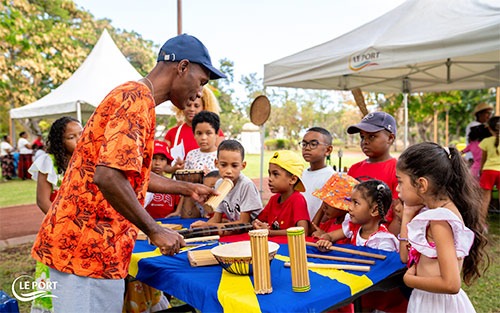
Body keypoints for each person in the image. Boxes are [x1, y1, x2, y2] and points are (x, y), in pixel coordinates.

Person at [31, 33, 224, 312]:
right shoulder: (134, 99)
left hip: (89, 250)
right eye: (201, 82)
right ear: (182, 67)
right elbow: (108, 177)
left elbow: (131, 174)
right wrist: (155, 229)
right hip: (86, 249)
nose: (199, 92)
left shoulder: (137, 100)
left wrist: (186, 189)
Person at [396, 142, 488, 312]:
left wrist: (409, 280)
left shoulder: (439, 221)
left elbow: (451, 284)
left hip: (435, 304)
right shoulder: (433, 212)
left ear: (422, 185)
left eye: (400, 182)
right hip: (427, 298)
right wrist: (407, 214)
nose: (397, 188)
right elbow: (404, 256)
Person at [27, 116, 83, 313]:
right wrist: (63, 224)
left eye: (81, 134)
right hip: (58, 228)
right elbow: (43, 200)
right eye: (71, 137)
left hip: (84, 230)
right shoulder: (48, 162)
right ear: (61, 141)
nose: (79, 140)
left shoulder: (87, 160)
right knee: (54, 276)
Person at [346, 111, 401, 235]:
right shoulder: (354, 169)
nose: (365, 141)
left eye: (371, 136)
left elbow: (398, 214)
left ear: (390, 138)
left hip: (382, 240)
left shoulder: (398, 170)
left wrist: (385, 239)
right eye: (362, 137)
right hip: (353, 236)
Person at [190, 140, 263, 229]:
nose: (228, 171)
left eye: (234, 166)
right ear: (216, 163)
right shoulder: (219, 184)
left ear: (243, 166)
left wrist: (208, 225)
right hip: (234, 228)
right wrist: (202, 227)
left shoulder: (246, 185)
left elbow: (244, 223)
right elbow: (216, 218)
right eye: (224, 165)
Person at [315, 180, 398, 252]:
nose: (349, 207)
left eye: (356, 203)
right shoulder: (354, 227)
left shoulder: (384, 241)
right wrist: (325, 241)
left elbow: (385, 268)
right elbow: (330, 236)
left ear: (374, 210)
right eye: (350, 201)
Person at [164, 85, 224, 168]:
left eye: (196, 106)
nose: (191, 109)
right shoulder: (172, 133)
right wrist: (174, 168)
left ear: (204, 107)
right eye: (188, 105)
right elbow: (163, 165)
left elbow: (223, 160)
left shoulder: (216, 132)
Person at [253, 150, 310, 236]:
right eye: (270, 174)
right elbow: (260, 220)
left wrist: (270, 232)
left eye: (275, 174)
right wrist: (257, 224)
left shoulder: (297, 200)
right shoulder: (273, 199)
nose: (270, 178)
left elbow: (303, 231)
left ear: (293, 179)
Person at [300, 127, 334, 220]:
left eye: (313, 144)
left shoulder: (332, 178)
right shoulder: (299, 175)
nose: (307, 148)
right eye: (304, 144)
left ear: (328, 150)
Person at [310, 173, 358, 239]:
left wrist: (325, 236)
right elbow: (312, 230)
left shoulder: (348, 229)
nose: (324, 207)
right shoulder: (331, 222)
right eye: (324, 202)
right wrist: (322, 208)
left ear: (344, 207)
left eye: (330, 203)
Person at [144, 140, 180, 219]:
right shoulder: (141, 183)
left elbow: (178, 204)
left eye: (162, 159)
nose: (157, 163)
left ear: (167, 162)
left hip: (168, 223)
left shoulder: (172, 184)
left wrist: (177, 212)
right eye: (154, 158)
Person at [479, 116, 500, 220]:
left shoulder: (486, 141)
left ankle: (481, 221)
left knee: (485, 198)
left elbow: (484, 158)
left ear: (490, 128)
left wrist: (481, 170)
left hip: (489, 171)